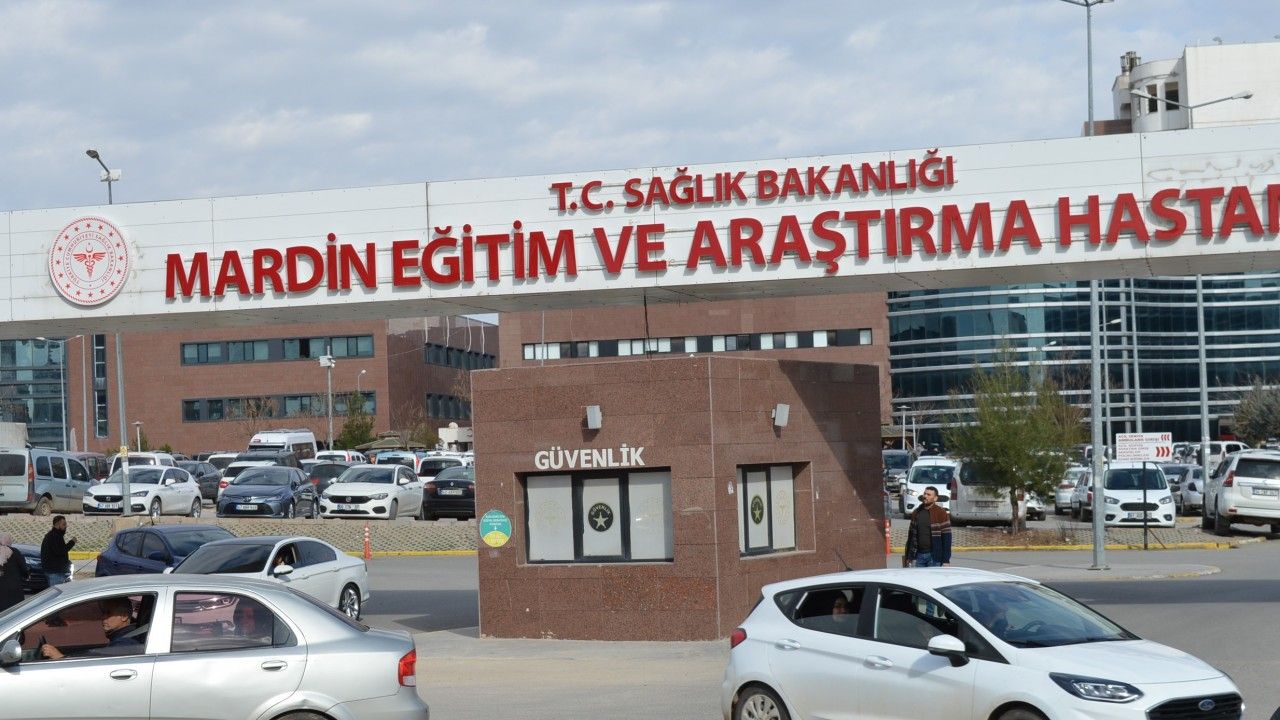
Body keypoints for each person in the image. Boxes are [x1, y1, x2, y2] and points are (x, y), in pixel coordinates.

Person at [41, 597, 142, 659]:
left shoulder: (124, 644)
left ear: (124, 616)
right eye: (103, 613)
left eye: (108, 613)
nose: (103, 617)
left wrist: (60, 657)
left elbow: (94, 667)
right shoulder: (123, 637)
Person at [903, 486, 951, 568]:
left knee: (933, 577)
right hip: (918, 556)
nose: (925, 496)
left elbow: (947, 538)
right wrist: (908, 556)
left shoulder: (941, 513)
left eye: (929, 495)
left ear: (935, 498)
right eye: (924, 494)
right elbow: (911, 536)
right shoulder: (916, 512)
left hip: (934, 557)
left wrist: (946, 560)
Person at [40, 515, 76, 586]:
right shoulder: (53, 536)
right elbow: (59, 551)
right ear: (57, 525)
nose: (66, 526)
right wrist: (72, 542)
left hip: (55, 572)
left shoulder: (56, 535)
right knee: (57, 592)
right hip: (55, 573)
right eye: (64, 524)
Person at [0, 533, 31, 611]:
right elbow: (23, 568)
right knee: (16, 612)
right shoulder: (15, 551)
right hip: (15, 588)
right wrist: (27, 575)